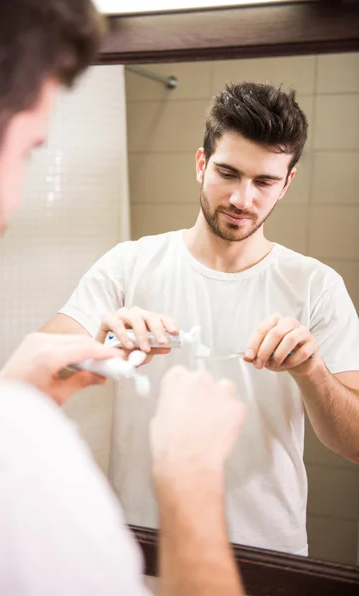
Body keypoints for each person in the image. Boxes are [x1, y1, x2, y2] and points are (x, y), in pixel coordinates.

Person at [0, 0, 246, 595]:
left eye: (264, 180)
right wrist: (191, 476)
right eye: (30, 150)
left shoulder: (319, 284)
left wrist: (6, 400)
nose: (15, 203)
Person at [43, 81, 359, 557]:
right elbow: (34, 376)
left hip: (266, 553)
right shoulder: (128, 265)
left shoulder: (317, 286)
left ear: (287, 183)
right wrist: (101, 345)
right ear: (200, 164)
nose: (242, 199)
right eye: (227, 173)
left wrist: (312, 372)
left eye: (264, 182)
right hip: (143, 544)